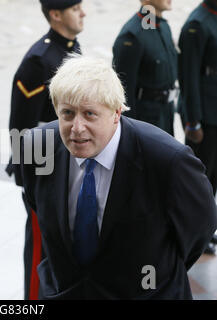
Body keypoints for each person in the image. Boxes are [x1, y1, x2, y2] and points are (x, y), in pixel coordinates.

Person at [20, 55, 217, 299]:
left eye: (90, 114)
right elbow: (38, 208)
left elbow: (199, 229)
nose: (77, 127)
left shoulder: (168, 161)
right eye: (67, 113)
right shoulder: (36, 147)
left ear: (116, 113)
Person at [6, 0, 85, 300]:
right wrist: (28, 179)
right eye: (75, 8)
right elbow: (21, 124)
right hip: (45, 168)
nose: (83, 12)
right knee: (42, 245)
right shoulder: (38, 60)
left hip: (70, 162)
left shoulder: (72, 48)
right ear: (55, 14)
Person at [178, 0, 217, 254]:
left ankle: (205, 231)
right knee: (199, 182)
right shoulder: (196, 24)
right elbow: (188, 78)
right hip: (205, 117)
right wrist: (193, 121)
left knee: (212, 180)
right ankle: (191, 235)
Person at [112, 0, 177, 135]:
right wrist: (130, 134)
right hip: (146, 121)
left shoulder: (163, 27)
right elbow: (124, 94)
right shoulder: (132, 36)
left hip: (166, 114)